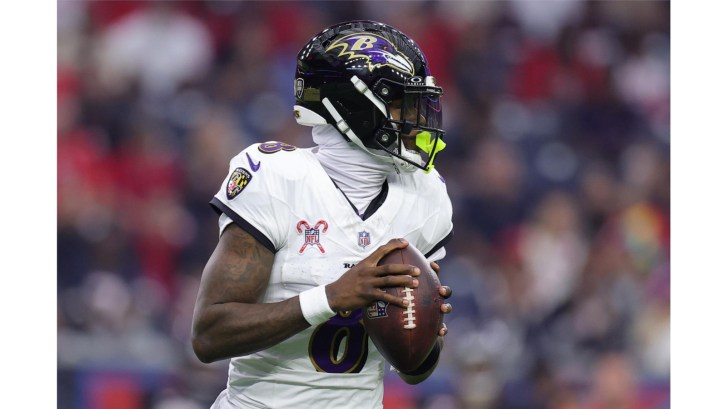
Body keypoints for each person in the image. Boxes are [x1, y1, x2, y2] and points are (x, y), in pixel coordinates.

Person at [191, 20, 454, 408]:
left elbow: (414, 372)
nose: (417, 117)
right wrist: (330, 298)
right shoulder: (278, 177)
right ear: (355, 105)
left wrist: (424, 333)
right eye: (402, 101)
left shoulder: (425, 194)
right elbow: (209, 335)